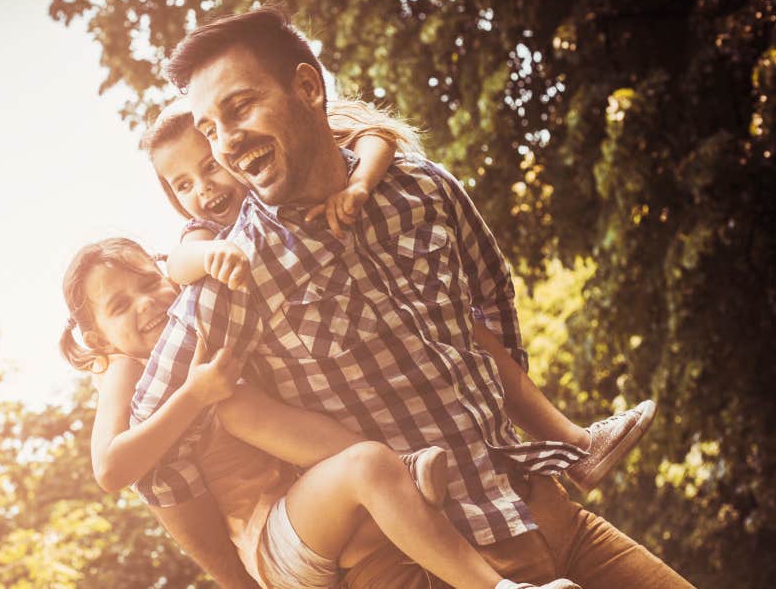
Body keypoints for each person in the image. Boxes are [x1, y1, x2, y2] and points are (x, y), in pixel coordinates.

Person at [128, 6, 695, 589]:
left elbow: (491, 299)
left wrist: (507, 427)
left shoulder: (422, 189)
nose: (227, 141)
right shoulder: (233, 275)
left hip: (550, 518)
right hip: (424, 568)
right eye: (211, 128)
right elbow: (154, 458)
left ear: (306, 87)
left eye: (239, 106)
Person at [146, 97, 655, 493]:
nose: (203, 189)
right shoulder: (213, 235)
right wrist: (212, 256)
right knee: (244, 409)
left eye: (207, 167)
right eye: (182, 185)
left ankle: (573, 443)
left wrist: (359, 185)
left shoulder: (306, 167)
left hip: (396, 322)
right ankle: (402, 474)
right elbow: (180, 259)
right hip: (316, 410)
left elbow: (374, 137)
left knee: (469, 337)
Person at [59, 237, 579, 589]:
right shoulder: (123, 370)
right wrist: (196, 394)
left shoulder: (207, 329)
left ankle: (407, 476)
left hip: (326, 517)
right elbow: (110, 469)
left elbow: (187, 261)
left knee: (372, 476)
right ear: (96, 337)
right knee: (364, 464)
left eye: (149, 285)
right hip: (272, 541)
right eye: (118, 306)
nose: (145, 304)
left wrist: (210, 255)